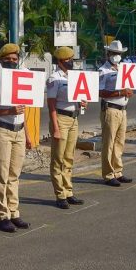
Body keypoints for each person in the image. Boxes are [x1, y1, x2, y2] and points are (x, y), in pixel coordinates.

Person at [0, 43, 33, 232]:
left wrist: (27, 135)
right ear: (1, 61)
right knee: (1, 175)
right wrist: (7, 110)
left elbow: (23, 112)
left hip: (18, 131)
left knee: (15, 175)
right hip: (2, 130)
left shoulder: (22, 81)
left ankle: (14, 212)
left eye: (14, 59)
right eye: (7, 59)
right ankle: (2, 215)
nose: (11, 61)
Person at [47, 46, 87, 208]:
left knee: (69, 157)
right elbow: (51, 105)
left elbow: (78, 97)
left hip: (74, 119)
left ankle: (68, 191)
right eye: (67, 60)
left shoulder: (74, 77)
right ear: (60, 61)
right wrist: (55, 127)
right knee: (58, 158)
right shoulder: (54, 79)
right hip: (61, 119)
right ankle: (60, 194)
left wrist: (82, 102)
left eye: (72, 59)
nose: (70, 62)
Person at [99, 40, 134, 186]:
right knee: (109, 143)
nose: (116, 56)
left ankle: (118, 171)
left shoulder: (123, 69)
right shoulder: (103, 71)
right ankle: (108, 174)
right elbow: (99, 91)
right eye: (114, 53)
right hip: (110, 109)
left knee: (119, 142)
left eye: (118, 54)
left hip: (123, 110)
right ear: (108, 54)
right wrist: (120, 92)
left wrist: (129, 91)